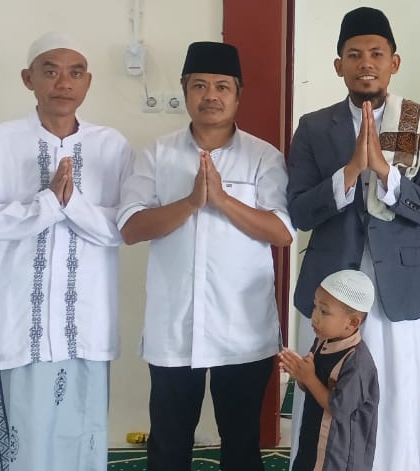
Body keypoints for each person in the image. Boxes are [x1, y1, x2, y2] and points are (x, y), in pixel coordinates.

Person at [0, 31, 130, 471]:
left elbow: (124, 228)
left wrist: (72, 204)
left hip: (85, 324)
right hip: (19, 323)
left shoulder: (111, 145)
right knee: (29, 442)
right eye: (51, 71)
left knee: (84, 437)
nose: (63, 83)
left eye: (75, 73)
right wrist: (43, 207)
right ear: (29, 79)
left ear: (88, 82)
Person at [118, 41, 295, 471]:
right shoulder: (157, 154)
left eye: (221, 86)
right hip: (174, 329)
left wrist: (222, 200)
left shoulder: (263, 156)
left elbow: (282, 232)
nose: (210, 96)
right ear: (184, 89)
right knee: (168, 446)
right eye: (199, 85)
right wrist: (191, 202)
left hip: (242, 329)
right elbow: (131, 227)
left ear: (237, 94)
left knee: (242, 446)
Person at [286, 7, 420, 470]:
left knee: (398, 396)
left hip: (400, 286)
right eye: (354, 54)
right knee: (325, 390)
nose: (366, 63)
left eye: (377, 53)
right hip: (331, 289)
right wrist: (351, 171)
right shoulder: (314, 127)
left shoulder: (419, 122)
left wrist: (384, 172)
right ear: (339, 65)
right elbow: (299, 210)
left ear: (394, 62)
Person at [279, 269, 380, 471]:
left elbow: (339, 408)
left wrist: (308, 378)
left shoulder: (357, 363)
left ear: (352, 322)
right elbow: (312, 384)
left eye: (324, 311)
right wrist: (300, 373)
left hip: (339, 455)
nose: (315, 317)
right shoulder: (322, 341)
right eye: (315, 306)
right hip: (313, 442)